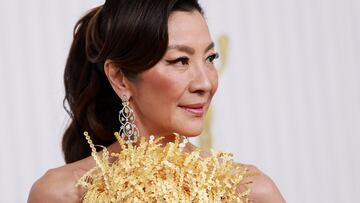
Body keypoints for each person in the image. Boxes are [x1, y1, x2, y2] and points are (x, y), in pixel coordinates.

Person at [28, 0, 285, 202]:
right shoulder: (62, 194)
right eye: (180, 61)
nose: (205, 83)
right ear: (119, 78)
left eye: (210, 58)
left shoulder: (250, 191)